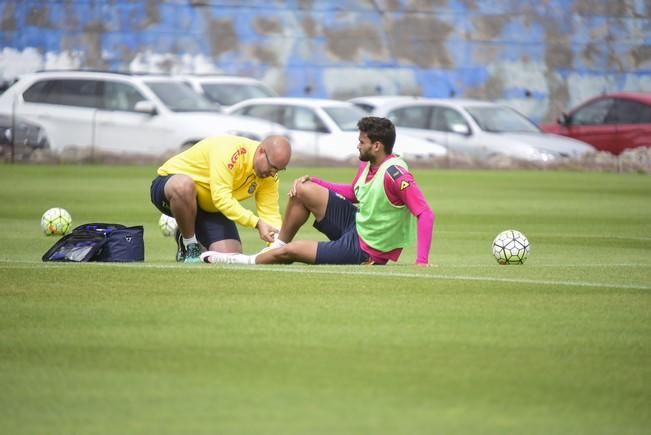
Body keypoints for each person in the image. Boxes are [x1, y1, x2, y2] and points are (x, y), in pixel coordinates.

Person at [201, 117, 434, 266]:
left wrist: (421, 261)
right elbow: (353, 193)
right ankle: (275, 247)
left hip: (366, 250)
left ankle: (244, 261)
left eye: (361, 142)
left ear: (377, 146)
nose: (357, 145)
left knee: (292, 252)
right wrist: (316, 181)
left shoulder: (396, 175)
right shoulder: (368, 164)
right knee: (303, 190)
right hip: (356, 224)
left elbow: (425, 213)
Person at [150, 134, 291, 263]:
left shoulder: (270, 177)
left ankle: (183, 232)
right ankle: (189, 244)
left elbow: (270, 212)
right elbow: (221, 198)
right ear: (261, 151)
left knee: (228, 256)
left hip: (210, 207)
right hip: (170, 188)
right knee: (183, 186)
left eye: (278, 170)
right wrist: (255, 222)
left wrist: (277, 246)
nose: (273, 173)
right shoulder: (230, 152)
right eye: (272, 167)